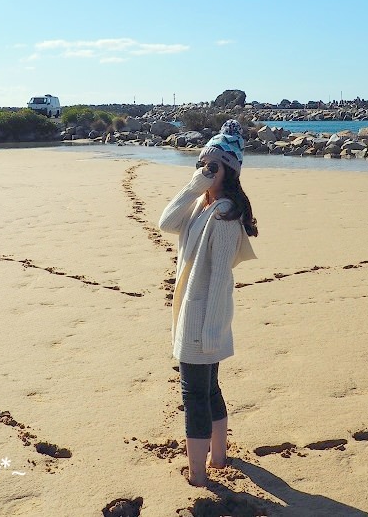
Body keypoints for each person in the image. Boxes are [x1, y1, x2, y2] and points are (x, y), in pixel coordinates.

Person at [157, 119, 258, 487]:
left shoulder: (226, 215)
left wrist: (211, 331)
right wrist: (198, 182)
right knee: (208, 389)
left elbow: (219, 281)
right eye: (201, 163)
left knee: (195, 395)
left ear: (227, 170)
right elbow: (166, 223)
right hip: (193, 313)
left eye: (212, 166)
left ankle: (198, 473)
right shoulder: (203, 202)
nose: (204, 169)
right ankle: (217, 458)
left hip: (203, 320)